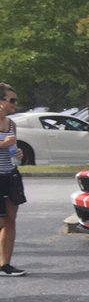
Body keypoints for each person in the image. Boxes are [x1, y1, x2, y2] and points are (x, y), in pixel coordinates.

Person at [0, 82, 27, 276]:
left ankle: (5, 264)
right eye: (11, 100)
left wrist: (17, 152)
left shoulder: (11, 124)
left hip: (11, 174)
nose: (14, 104)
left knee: (10, 219)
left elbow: (12, 149)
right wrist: (3, 143)